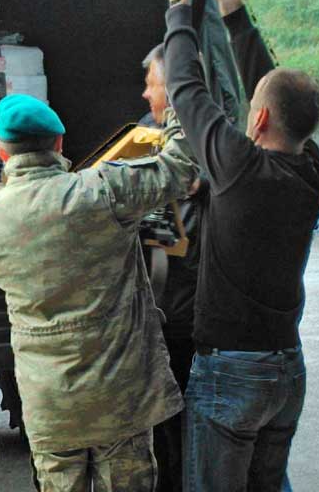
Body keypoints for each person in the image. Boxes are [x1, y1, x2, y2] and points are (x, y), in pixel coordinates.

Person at [0, 93, 199, 492]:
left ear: (3, 153)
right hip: (120, 396)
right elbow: (179, 169)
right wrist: (176, 104)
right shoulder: (105, 190)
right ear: (58, 143)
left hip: (49, 404)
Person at [159, 0, 319, 492]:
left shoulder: (240, 167)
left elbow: (186, 90)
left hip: (232, 369)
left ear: (255, 120)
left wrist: (178, 6)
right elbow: (278, 96)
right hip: (287, 367)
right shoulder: (314, 171)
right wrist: (234, 16)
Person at [139, 43, 204, 492]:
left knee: (191, 426)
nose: (145, 94)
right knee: (162, 429)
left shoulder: (211, 147)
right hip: (156, 311)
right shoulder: (144, 136)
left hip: (193, 316)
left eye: (152, 84)